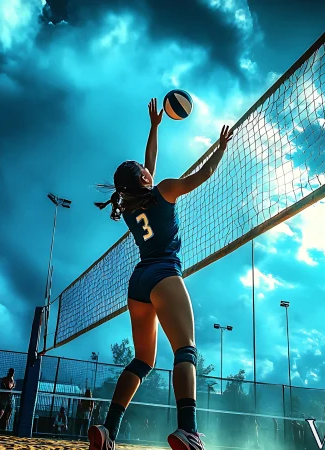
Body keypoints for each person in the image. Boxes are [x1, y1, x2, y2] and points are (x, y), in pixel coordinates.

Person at [89, 98, 233, 450]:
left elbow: (146, 168)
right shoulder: (165, 189)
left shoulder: (127, 206)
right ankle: (188, 429)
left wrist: (155, 128)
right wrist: (221, 147)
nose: (148, 169)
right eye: (144, 170)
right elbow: (206, 174)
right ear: (143, 178)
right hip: (164, 275)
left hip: (138, 282)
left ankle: (108, 431)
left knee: (142, 360)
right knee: (186, 351)